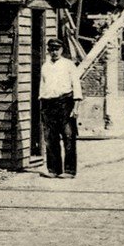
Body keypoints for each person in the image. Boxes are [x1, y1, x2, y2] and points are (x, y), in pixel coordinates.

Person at [39, 39, 82, 179]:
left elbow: (76, 85)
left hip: (65, 103)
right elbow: (42, 87)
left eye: (57, 49)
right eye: (51, 49)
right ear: (48, 50)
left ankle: (69, 171)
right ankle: (53, 170)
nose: (54, 52)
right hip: (48, 104)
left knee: (68, 136)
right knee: (50, 139)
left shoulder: (69, 65)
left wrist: (76, 107)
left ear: (62, 50)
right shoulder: (45, 66)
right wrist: (42, 104)